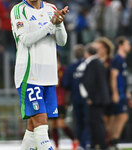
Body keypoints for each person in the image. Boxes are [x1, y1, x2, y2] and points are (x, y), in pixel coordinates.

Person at [10, 0, 68, 149]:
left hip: (48, 76)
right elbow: (26, 40)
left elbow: (62, 41)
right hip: (30, 74)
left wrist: (59, 23)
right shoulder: (19, 10)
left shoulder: (51, 8)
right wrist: (50, 25)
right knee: (41, 125)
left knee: (32, 126)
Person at [79, 44, 109, 150]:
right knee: (96, 122)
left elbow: (89, 82)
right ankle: (96, 144)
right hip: (100, 98)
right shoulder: (99, 62)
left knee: (96, 123)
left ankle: (101, 145)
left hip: (95, 100)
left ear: (87, 53)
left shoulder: (92, 63)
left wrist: (89, 98)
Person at [109, 36, 132, 149]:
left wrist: (129, 97)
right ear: (120, 45)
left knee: (121, 117)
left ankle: (113, 140)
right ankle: (112, 140)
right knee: (120, 117)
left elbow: (123, 80)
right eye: (127, 44)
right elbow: (113, 77)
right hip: (118, 94)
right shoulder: (117, 59)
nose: (129, 46)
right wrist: (115, 93)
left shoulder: (122, 60)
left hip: (123, 94)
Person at [63, 45, 90, 149]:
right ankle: (84, 142)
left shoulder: (71, 67)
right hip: (87, 99)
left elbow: (66, 84)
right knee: (86, 121)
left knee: (78, 122)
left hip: (75, 98)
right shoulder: (88, 66)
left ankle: (80, 143)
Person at [50, 57, 78, 150]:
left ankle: (74, 140)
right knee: (53, 125)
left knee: (61, 124)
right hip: (50, 101)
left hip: (61, 101)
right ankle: (57, 146)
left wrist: (67, 100)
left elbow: (66, 85)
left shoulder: (63, 70)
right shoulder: (48, 70)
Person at [93, 37, 114, 144]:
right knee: (100, 121)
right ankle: (102, 142)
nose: (98, 50)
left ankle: (108, 142)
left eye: (100, 48)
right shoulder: (94, 62)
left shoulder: (111, 62)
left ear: (106, 49)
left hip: (109, 93)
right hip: (97, 96)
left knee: (109, 120)